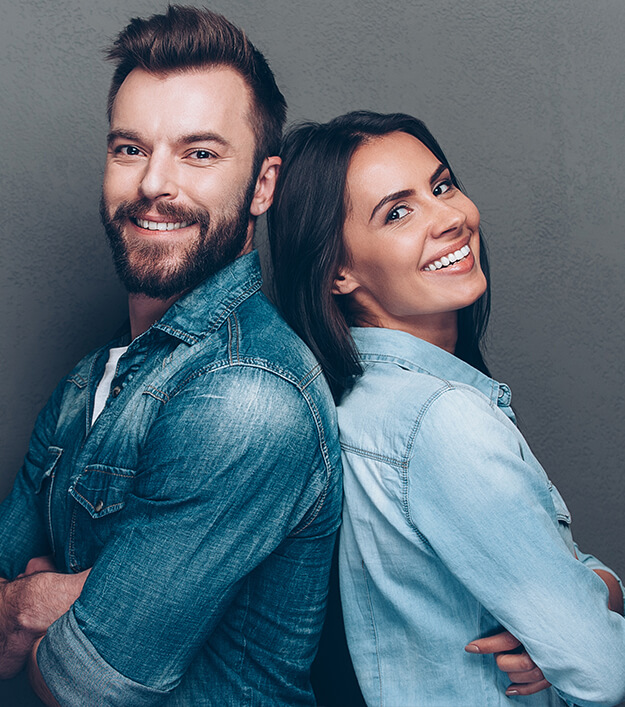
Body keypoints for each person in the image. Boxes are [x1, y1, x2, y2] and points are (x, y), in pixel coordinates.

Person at [0, 7, 341, 706]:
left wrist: (37, 599)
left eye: (200, 153)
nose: (154, 183)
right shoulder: (86, 384)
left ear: (263, 185)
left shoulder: (249, 395)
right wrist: (57, 604)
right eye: (130, 149)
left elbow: (85, 684)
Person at [268, 110, 625, 706]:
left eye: (442, 186)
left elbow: (570, 604)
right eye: (398, 212)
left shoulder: (359, 406)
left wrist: (586, 600)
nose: (452, 218)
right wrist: (582, 620)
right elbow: (603, 669)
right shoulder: (440, 422)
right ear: (337, 271)